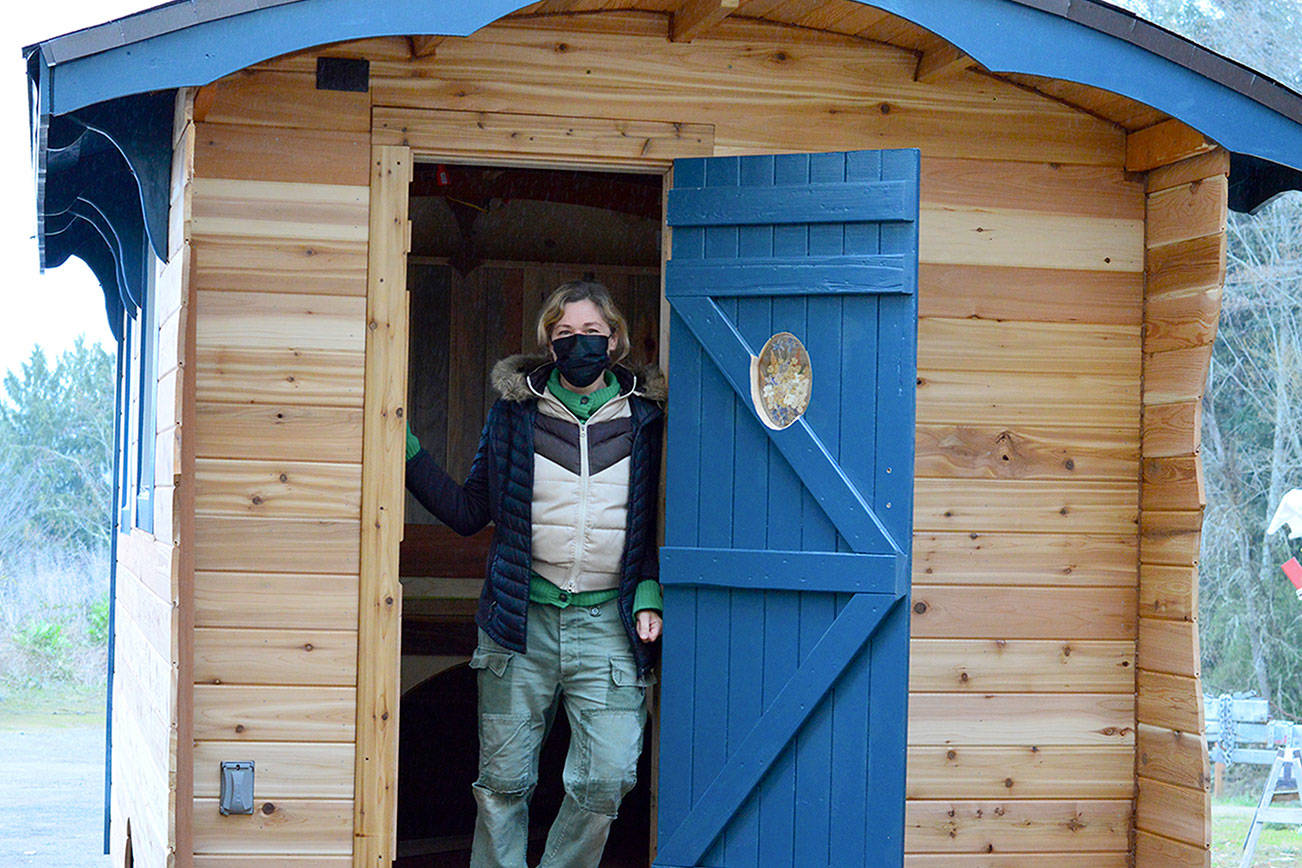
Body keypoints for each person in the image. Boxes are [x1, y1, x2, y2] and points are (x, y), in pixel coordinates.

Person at [404, 280, 665, 868]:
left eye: (593, 334)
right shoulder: (514, 414)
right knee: (502, 784)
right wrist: (405, 449)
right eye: (566, 334)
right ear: (549, 343)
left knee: (610, 776)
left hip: (609, 625)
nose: (580, 345)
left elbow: (656, 524)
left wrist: (648, 591)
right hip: (518, 622)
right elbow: (472, 511)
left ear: (616, 340)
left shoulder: (645, 420)